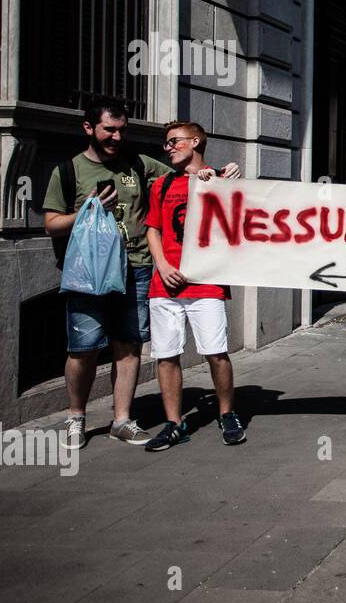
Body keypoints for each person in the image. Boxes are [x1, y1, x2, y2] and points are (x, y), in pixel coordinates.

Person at [43, 97, 238, 450]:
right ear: (89, 128)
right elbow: (52, 224)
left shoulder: (139, 165)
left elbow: (188, 176)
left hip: (137, 270)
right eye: (109, 129)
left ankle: (122, 420)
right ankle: (76, 417)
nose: (117, 137)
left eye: (122, 130)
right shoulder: (68, 171)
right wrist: (86, 212)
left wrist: (224, 173)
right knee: (83, 349)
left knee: (129, 346)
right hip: (89, 274)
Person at [144, 122, 247, 450]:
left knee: (216, 353)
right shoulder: (160, 185)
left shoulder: (220, 179)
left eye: (174, 141)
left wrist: (229, 181)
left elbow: (243, 215)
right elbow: (153, 229)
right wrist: (162, 264)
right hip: (166, 285)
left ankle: (227, 413)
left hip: (206, 285)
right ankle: (174, 423)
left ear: (196, 141)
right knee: (166, 355)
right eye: (167, 143)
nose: (169, 147)